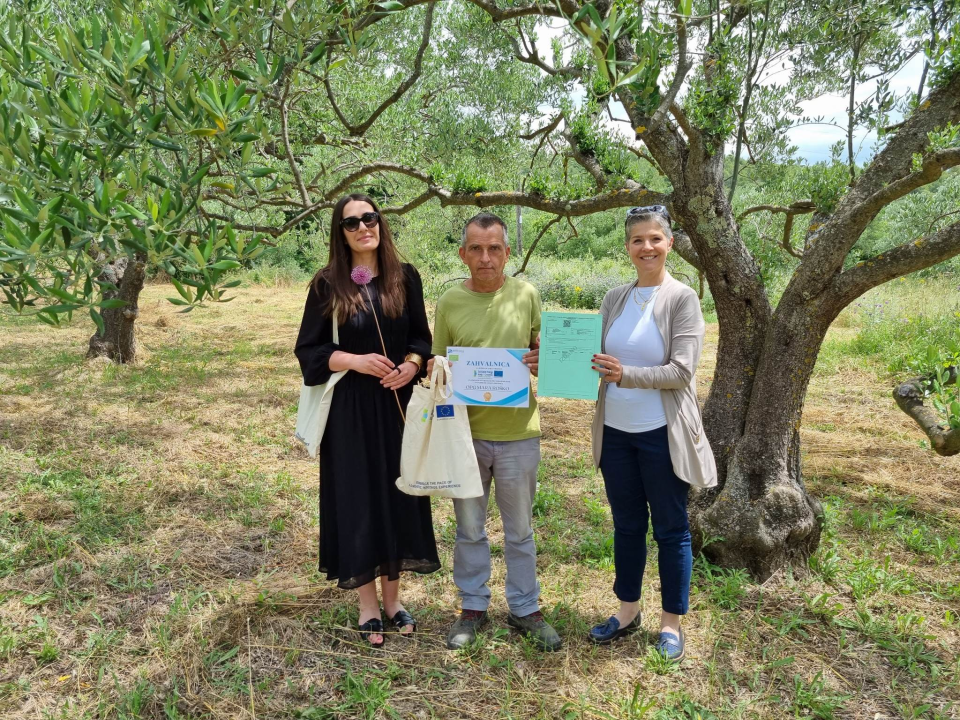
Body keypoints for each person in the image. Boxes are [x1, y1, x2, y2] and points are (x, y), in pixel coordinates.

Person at [295, 193, 440, 647]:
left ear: (381, 223)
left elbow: (421, 336)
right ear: (341, 234)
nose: (363, 228)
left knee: (398, 496)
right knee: (359, 500)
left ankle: (394, 601)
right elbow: (309, 351)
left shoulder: (406, 277)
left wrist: (413, 364)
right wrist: (354, 361)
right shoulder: (328, 284)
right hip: (352, 413)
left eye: (370, 218)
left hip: (398, 408)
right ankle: (367, 605)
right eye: (352, 222)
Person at [587, 205, 717, 661]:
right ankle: (626, 613)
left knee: (670, 529)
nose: (647, 247)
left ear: (670, 244)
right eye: (638, 240)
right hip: (616, 434)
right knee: (626, 526)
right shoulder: (614, 299)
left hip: (661, 434)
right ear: (627, 247)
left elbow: (681, 372)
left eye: (655, 239)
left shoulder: (682, 298)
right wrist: (561, 360)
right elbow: (595, 359)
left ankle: (671, 624)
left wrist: (625, 376)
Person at [428, 212, 561, 652]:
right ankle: (472, 607)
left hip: (519, 433)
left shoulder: (527, 295)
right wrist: (439, 370)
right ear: (463, 253)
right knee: (469, 529)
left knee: (520, 530)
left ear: (507, 252)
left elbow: (548, 351)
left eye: (495, 248)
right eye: (476, 248)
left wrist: (546, 360)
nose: (485, 258)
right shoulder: (448, 301)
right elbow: (438, 363)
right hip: (464, 437)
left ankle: (525, 608)